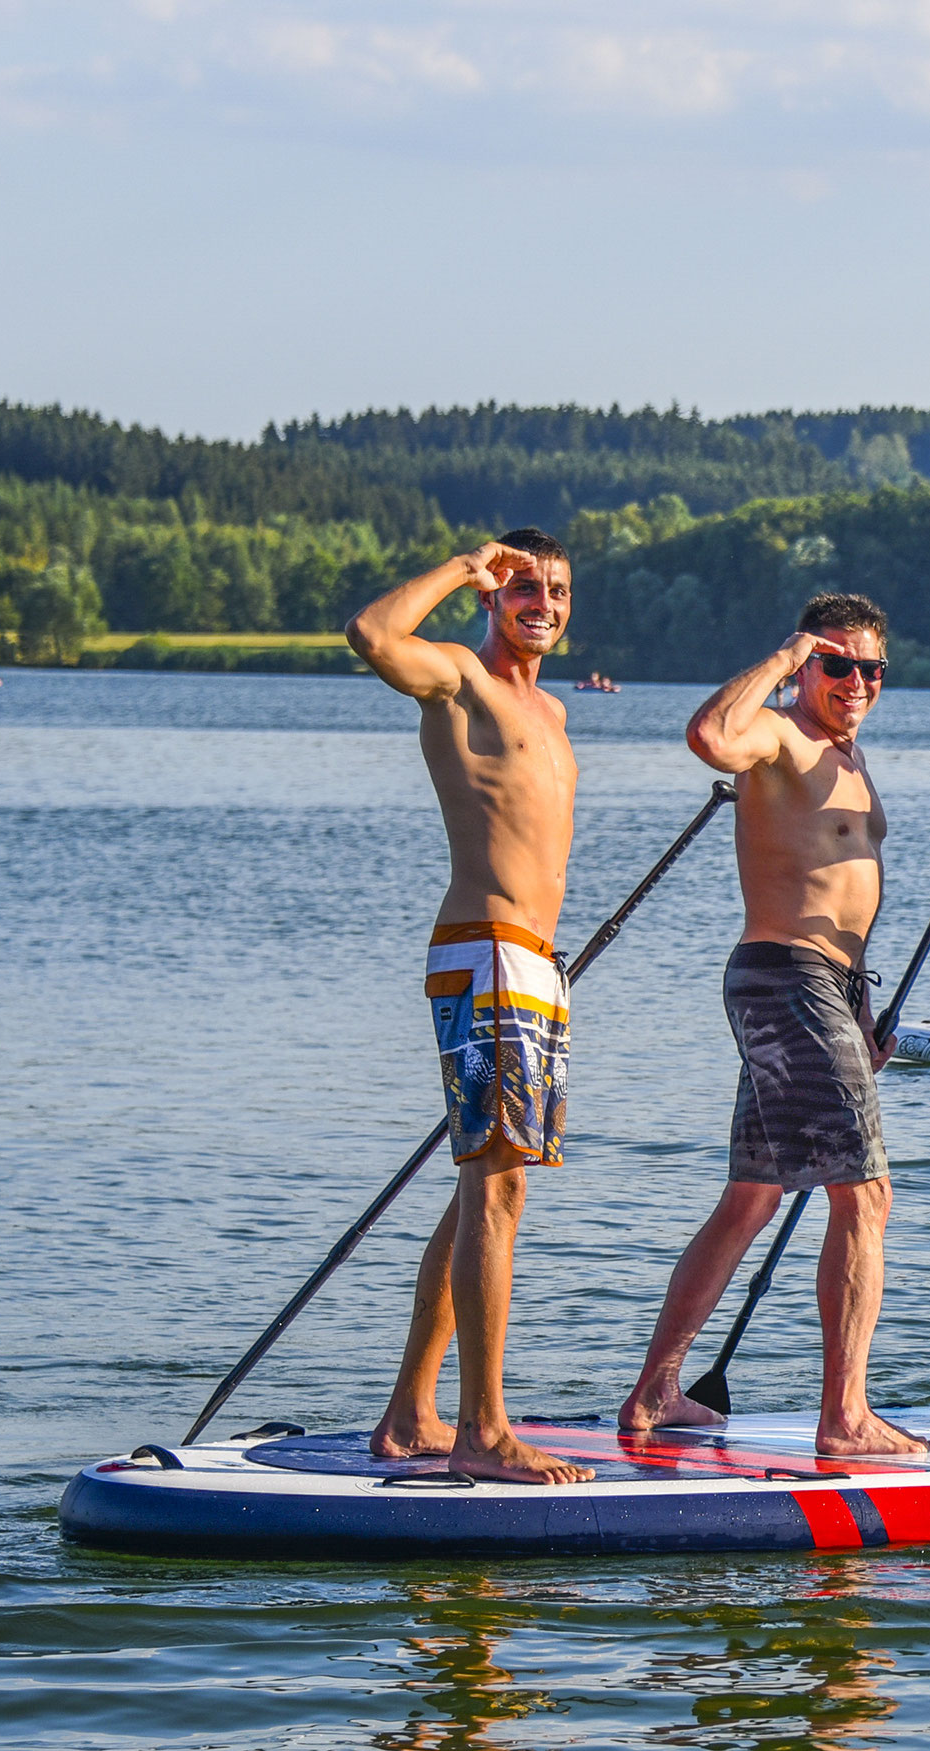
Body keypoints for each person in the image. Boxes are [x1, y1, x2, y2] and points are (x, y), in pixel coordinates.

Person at [617, 592, 924, 1456]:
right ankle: (846, 1417)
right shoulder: (780, 735)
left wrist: (860, 1016)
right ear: (807, 665)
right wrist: (785, 660)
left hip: (824, 989)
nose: (856, 681)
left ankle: (654, 1395)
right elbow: (710, 736)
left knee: (751, 1198)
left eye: (871, 668)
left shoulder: (850, 756)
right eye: (838, 664)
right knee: (866, 1197)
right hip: (784, 977)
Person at [347, 529, 593, 1485]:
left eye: (559, 589)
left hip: (534, 966)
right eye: (526, 586)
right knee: (498, 1185)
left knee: (488, 1185)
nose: (544, 602)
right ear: (495, 596)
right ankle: (483, 1434)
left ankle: (412, 1412)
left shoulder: (556, 710)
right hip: (484, 952)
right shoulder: (459, 677)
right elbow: (371, 635)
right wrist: (459, 567)